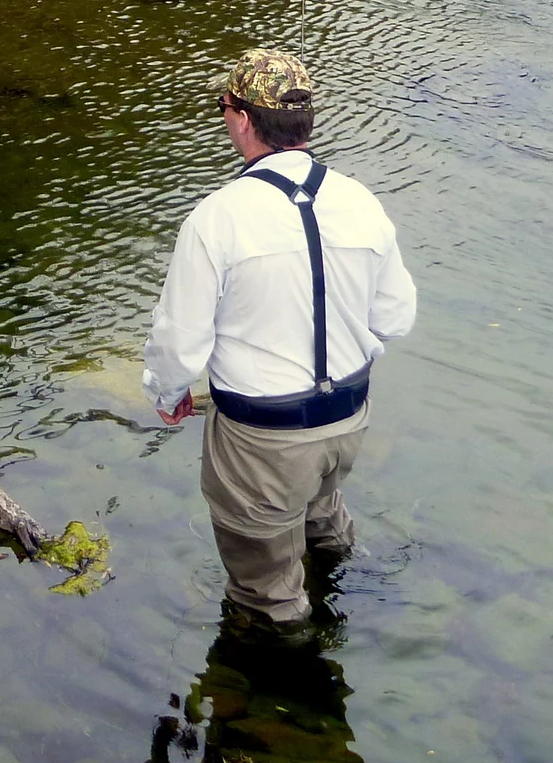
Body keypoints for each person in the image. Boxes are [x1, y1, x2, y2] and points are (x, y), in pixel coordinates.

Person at [143, 48, 417, 628]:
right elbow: (395, 318)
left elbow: (179, 343)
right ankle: (345, 603)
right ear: (304, 121)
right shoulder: (362, 201)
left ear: (242, 118)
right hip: (348, 419)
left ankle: (287, 674)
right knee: (322, 516)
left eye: (224, 106)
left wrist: (168, 394)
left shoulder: (216, 218)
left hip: (261, 440)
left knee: (266, 597)